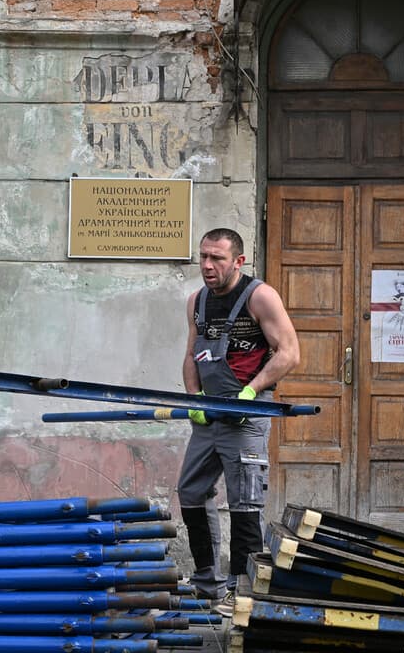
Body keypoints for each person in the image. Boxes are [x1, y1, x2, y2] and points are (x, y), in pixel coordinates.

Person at [176, 228, 300, 616]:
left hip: (246, 415)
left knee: (245, 500)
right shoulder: (197, 302)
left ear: (239, 262)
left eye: (217, 259)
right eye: (203, 257)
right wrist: (194, 396)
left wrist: (252, 391)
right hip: (209, 414)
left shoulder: (260, 296)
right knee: (191, 490)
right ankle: (207, 583)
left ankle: (240, 591)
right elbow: (192, 352)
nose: (208, 266)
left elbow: (289, 353)